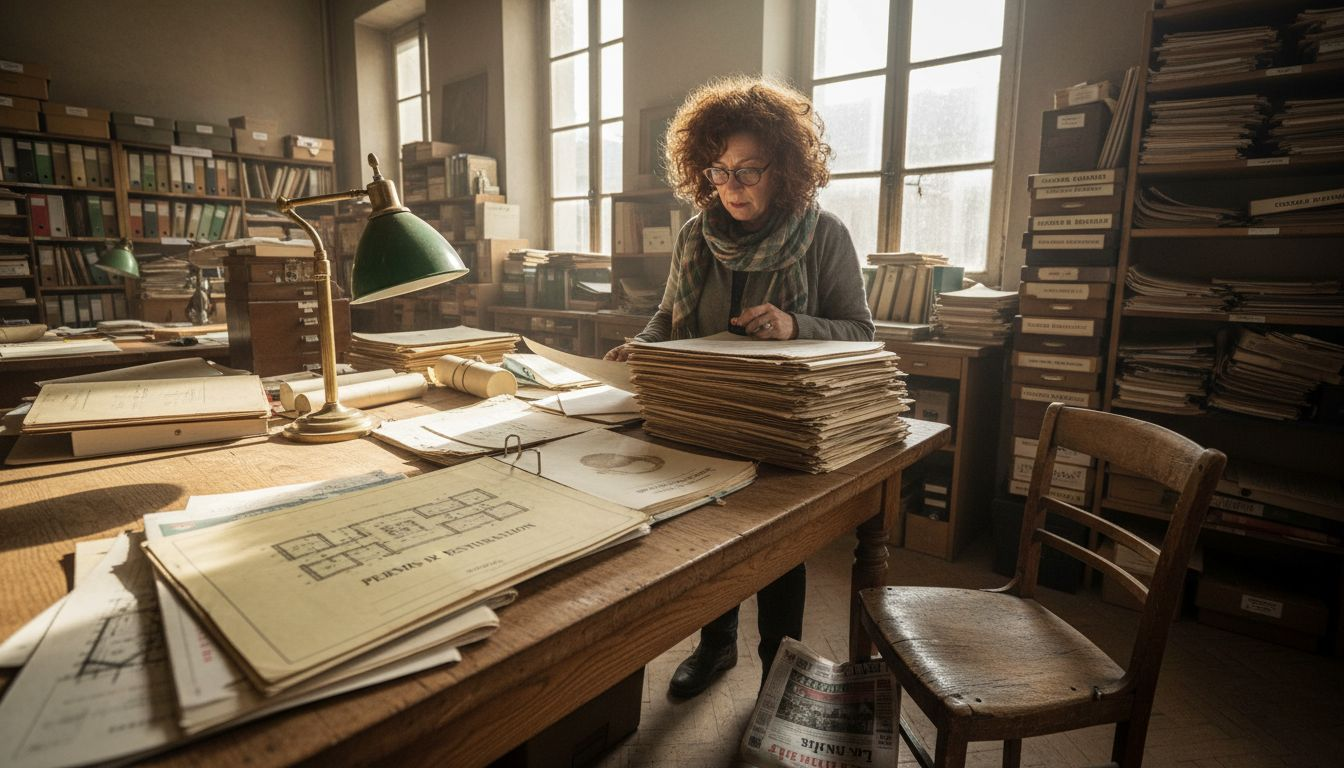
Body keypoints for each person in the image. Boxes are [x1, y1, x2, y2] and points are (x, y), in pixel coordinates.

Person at [604, 76, 874, 698]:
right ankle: (715, 647)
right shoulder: (696, 235)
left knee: (780, 556)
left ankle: (781, 675)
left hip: (781, 427)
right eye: (719, 172)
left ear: (785, 168)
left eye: (749, 171)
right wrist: (640, 345)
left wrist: (794, 325)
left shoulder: (823, 234)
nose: (731, 187)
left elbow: (861, 332)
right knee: (709, 547)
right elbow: (669, 319)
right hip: (706, 420)